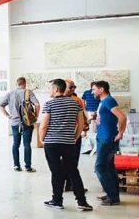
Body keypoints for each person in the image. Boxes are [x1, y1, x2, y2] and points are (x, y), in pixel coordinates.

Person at [38, 79, 93, 211]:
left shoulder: (49, 105)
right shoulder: (75, 104)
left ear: (56, 89)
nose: (49, 90)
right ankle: (81, 201)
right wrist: (74, 137)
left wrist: (41, 139)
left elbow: (44, 125)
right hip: (68, 143)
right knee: (73, 171)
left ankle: (57, 200)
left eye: (50, 88)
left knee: (56, 172)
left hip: (52, 143)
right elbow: (81, 123)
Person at [91, 80, 126, 206]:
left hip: (107, 138)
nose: (92, 92)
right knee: (109, 167)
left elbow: (122, 117)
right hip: (103, 137)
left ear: (102, 89)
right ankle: (112, 194)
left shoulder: (109, 100)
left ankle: (113, 196)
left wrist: (120, 132)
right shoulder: (104, 102)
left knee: (99, 167)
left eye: (94, 89)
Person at [0, 77, 39, 172]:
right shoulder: (28, 93)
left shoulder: (10, 94)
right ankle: (28, 166)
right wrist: (36, 116)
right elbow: (37, 104)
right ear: (25, 83)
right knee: (27, 144)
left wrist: (8, 115)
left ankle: (16, 165)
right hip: (27, 122)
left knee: (15, 144)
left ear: (17, 84)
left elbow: (0, 105)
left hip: (15, 122)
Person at [63, 79, 88, 192]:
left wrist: (79, 132)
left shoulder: (77, 100)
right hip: (64, 137)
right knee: (64, 162)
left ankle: (70, 183)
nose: (73, 89)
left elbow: (82, 117)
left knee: (73, 161)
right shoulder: (55, 101)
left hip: (74, 134)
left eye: (74, 87)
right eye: (71, 87)